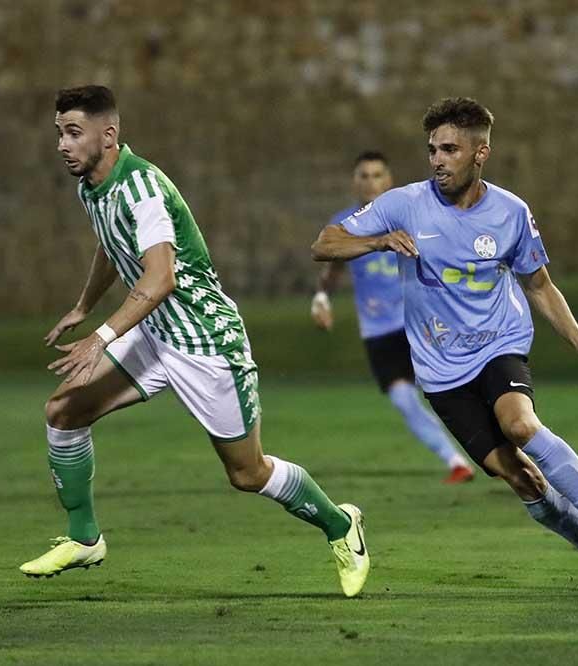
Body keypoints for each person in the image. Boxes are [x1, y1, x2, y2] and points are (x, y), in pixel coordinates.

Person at [20, 85, 370, 597]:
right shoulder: (93, 188)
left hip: (205, 341)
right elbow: (110, 244)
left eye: (73, 133)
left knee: (248, 473)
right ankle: (84, 538)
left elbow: (160, 279)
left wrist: (101, 336)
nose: (62, 145)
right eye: (59, 133)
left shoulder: (141, 188)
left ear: (108, 134)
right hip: (155, 331)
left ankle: (342, 526)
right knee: (63, 412)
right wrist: (84, 305)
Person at [311, 97, 578, 594]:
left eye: (449, 149)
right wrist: (379, 241)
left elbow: (539, 285)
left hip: (500, 342)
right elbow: (323, 243)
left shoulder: (511, 212)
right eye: (432, 149)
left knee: (519, 424)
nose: (436, 160)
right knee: (523, 480)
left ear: (481, 153)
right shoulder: (403, 204)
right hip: (439, 369)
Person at [311, 150, 474, 484]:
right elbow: (331, 268)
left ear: (390, 180)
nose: (371, 182)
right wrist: (322, 297)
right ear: (355, 183)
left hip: (422, 321)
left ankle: (496, 447)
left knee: (455, 389)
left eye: (377, 175)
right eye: (364, 176)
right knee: (403, 398)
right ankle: (455, 460)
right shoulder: (346, 225)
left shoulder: (410, 215)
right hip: (378, 331)